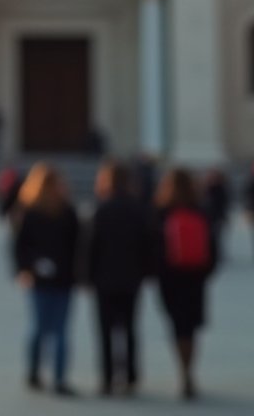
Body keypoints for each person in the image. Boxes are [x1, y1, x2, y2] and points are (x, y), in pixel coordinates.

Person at [86, 160, 152, 397]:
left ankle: (107, 378)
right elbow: (148, 245)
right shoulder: (138, 209)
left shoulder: (101, 209)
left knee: (105, 332)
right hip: (131, 279)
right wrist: (145, 273)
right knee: (130, 329)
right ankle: (131, 377)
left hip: (104, 280)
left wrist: (87, 277)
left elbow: (91, 247)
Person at [13, 163, 80, 396]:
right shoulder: (62, 212)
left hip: (50, 279)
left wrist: (26, 267)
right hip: (57, 279)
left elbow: (20, 247)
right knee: (52, 329)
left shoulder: (35, 212)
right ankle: (55, 378)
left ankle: (39, 374)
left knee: (44, 329)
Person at [153, 167, 217, 400]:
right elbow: (213, 246)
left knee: (177, 326)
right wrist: (205, 271)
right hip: (195, 277)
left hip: (171, 278)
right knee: (190, 328)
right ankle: (188, 371)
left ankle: (182, 369)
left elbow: (155, 247)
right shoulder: (201, 210)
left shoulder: (162, 210)